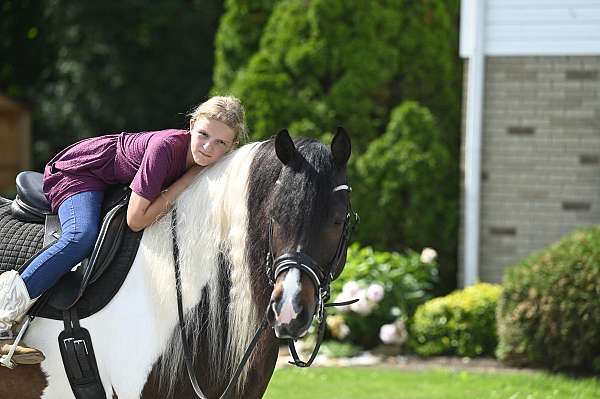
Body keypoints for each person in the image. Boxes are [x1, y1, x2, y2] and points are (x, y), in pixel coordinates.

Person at [0, 96, 246, 367]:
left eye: (220, 142)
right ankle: (4, 312)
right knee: (80, 237)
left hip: (111, 180)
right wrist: (186, 181)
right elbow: (135, 220)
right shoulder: (164, 148)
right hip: (81, 172)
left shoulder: (218, 164)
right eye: (203, 135)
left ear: (233, 145)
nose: (208, 147)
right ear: (191, 125)